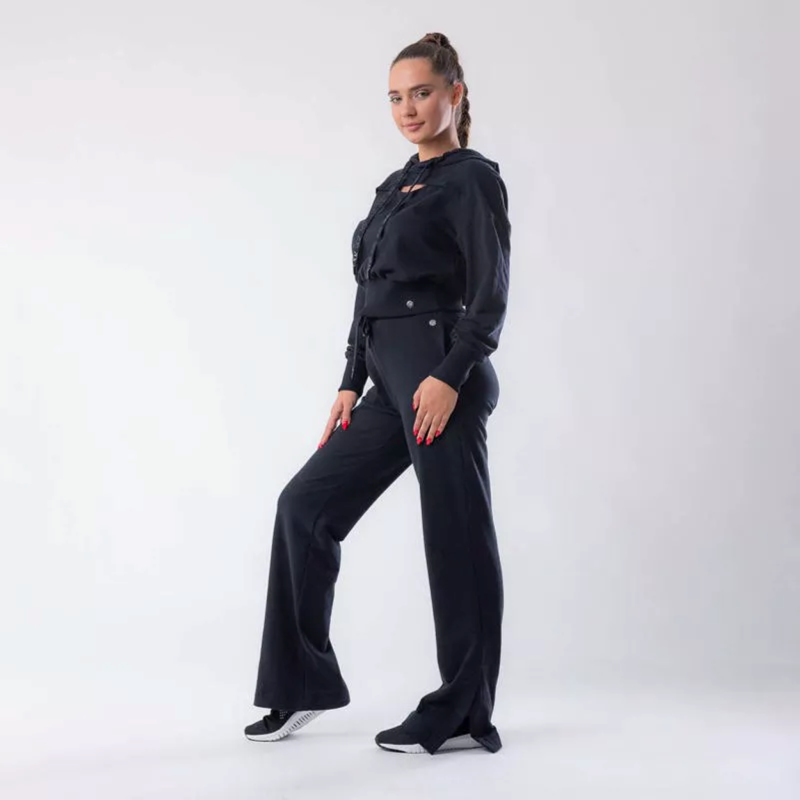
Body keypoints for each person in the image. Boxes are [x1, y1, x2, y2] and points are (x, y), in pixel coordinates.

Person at [244, 31, 511, 756]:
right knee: (304, 507)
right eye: (396, 98)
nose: (408, 109)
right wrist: (349, 380)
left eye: (421, 93)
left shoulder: (473, 180)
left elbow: (491, 294)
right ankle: (301, 684)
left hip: (441, 375)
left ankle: (464, 708)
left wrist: (449, 376)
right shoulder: (394, 186)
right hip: (389, 383)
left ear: (455, 94)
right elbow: (369, 292)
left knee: (455, 539)